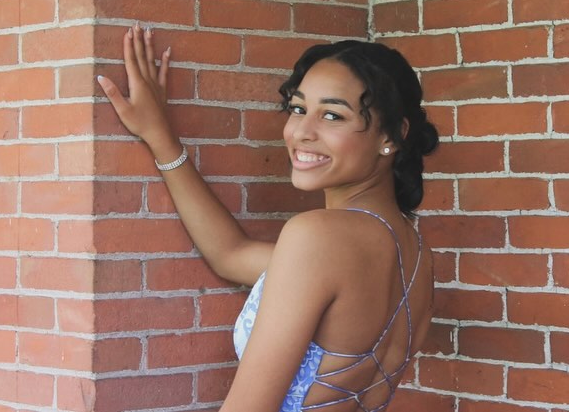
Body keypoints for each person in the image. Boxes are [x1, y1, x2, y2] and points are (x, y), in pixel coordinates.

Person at [97, 24, 439, 412]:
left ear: (391, 136)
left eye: (332, 115)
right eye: (298, 109)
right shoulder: (416, 255)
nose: (302, 131)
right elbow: (230, 253)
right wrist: (161, 137)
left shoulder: (319, 237)